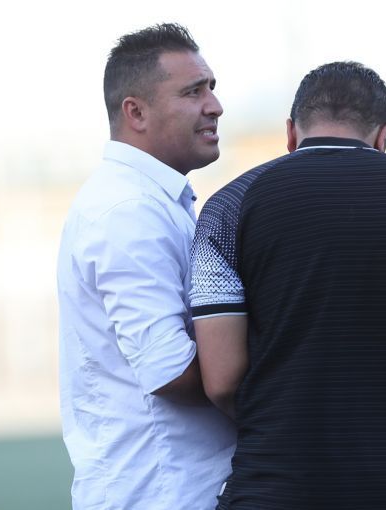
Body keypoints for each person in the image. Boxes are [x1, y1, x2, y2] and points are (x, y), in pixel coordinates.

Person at [190, 61, 386, 509]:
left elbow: (222, 380)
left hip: (278, 486)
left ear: (291, 133)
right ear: (384, 136)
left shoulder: (230, 206)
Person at [57, 23, 235, 510]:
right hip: (161, 493)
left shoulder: (148, 199)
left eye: (211, 88)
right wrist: (282, 382)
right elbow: (170, 371)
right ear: (135, 112)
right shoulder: (127, 210)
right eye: (193, 92)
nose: (215, 106)